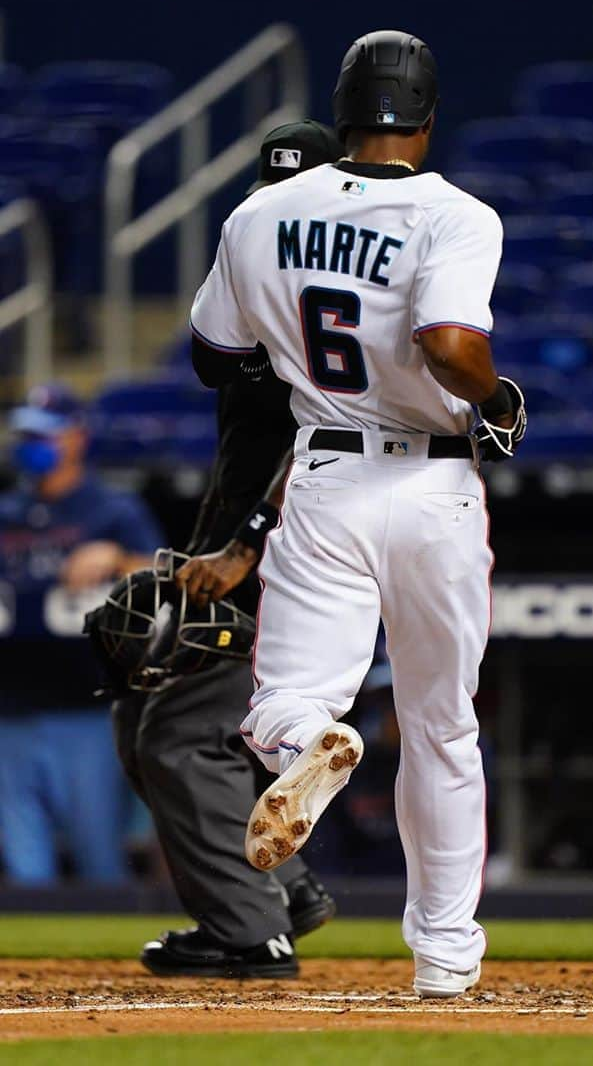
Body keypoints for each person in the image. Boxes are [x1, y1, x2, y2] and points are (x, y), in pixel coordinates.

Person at [181, 30, 526, 998]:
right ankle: (447, 958)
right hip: (434, 483)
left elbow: (213, 355)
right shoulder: (458, 213)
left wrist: (290, 360)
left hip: (325, 472)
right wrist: (496, 402)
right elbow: (452, 343)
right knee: (442, 725)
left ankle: (308, 747)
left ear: (341, 109)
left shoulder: (260, 213)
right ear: (426, 116)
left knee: (284, 701)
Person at [113, 120, 345, 979]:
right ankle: (283, 888)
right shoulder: (259, 272)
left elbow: (327, 435)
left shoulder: (342, 298)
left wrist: (246, 544)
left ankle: (253, 932)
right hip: (238, 533)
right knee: (143, 719)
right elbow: (217, 368)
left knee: (183, 734)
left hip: (287, 547)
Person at [0, 383, 163, 883]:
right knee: (23, 863)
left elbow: (168, 576)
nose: (34, 443)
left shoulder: (111, 510)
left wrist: (116, 557)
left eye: (45, 434)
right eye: (26, 432)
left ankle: (104, 962)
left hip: (89, 706)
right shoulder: (6, 511)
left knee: (99, 857)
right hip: (9, 707)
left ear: (77, 438)